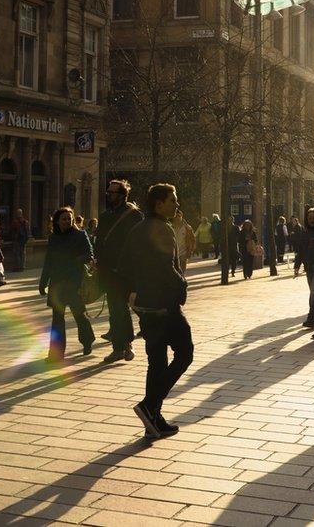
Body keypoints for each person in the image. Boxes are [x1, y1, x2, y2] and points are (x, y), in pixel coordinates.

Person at [122, 183, 192, 439]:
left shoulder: (137, 228)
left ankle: (153, 419)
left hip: (145, 304)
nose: (176, 204)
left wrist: (132, 293)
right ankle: (150, 405)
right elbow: (166, 267)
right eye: (172, 200)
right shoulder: (162, 228)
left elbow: (125, 264)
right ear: (158, 204)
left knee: (157, 361)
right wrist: (182, 284)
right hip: (164, 304)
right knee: (185, 353)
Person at [95, 179, 144, 363]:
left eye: (113, 192)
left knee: (123, 308)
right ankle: (120, 347)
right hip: (109, 270)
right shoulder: (106, 216)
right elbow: (99, 242)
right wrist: (97, 261)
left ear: (123, 195)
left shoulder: (134, 216)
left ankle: (127, 344)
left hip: (127, 270)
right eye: (108, 192)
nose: (109, 195)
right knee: (116, 309)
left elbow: (139, 245)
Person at [39, 207, 95, 361]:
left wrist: (74, 260)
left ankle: (87, 340)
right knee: (57, 319)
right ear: (57, 221)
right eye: (63, 219)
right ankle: (55, 354)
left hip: (74, 282)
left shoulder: (80, 235)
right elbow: (48, 261)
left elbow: (90, 254)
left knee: (79, 315)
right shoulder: (53, 238)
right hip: (57, 283)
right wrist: (43, 281)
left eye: (69, 219)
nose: (67, 221)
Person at [295, 208, 314, 327]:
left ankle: (311, 316)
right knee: (313, 291)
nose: (312, 220)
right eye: (310, 218)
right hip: (308, 267)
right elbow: (300, 250)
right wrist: (297, 265)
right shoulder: (304, 232)